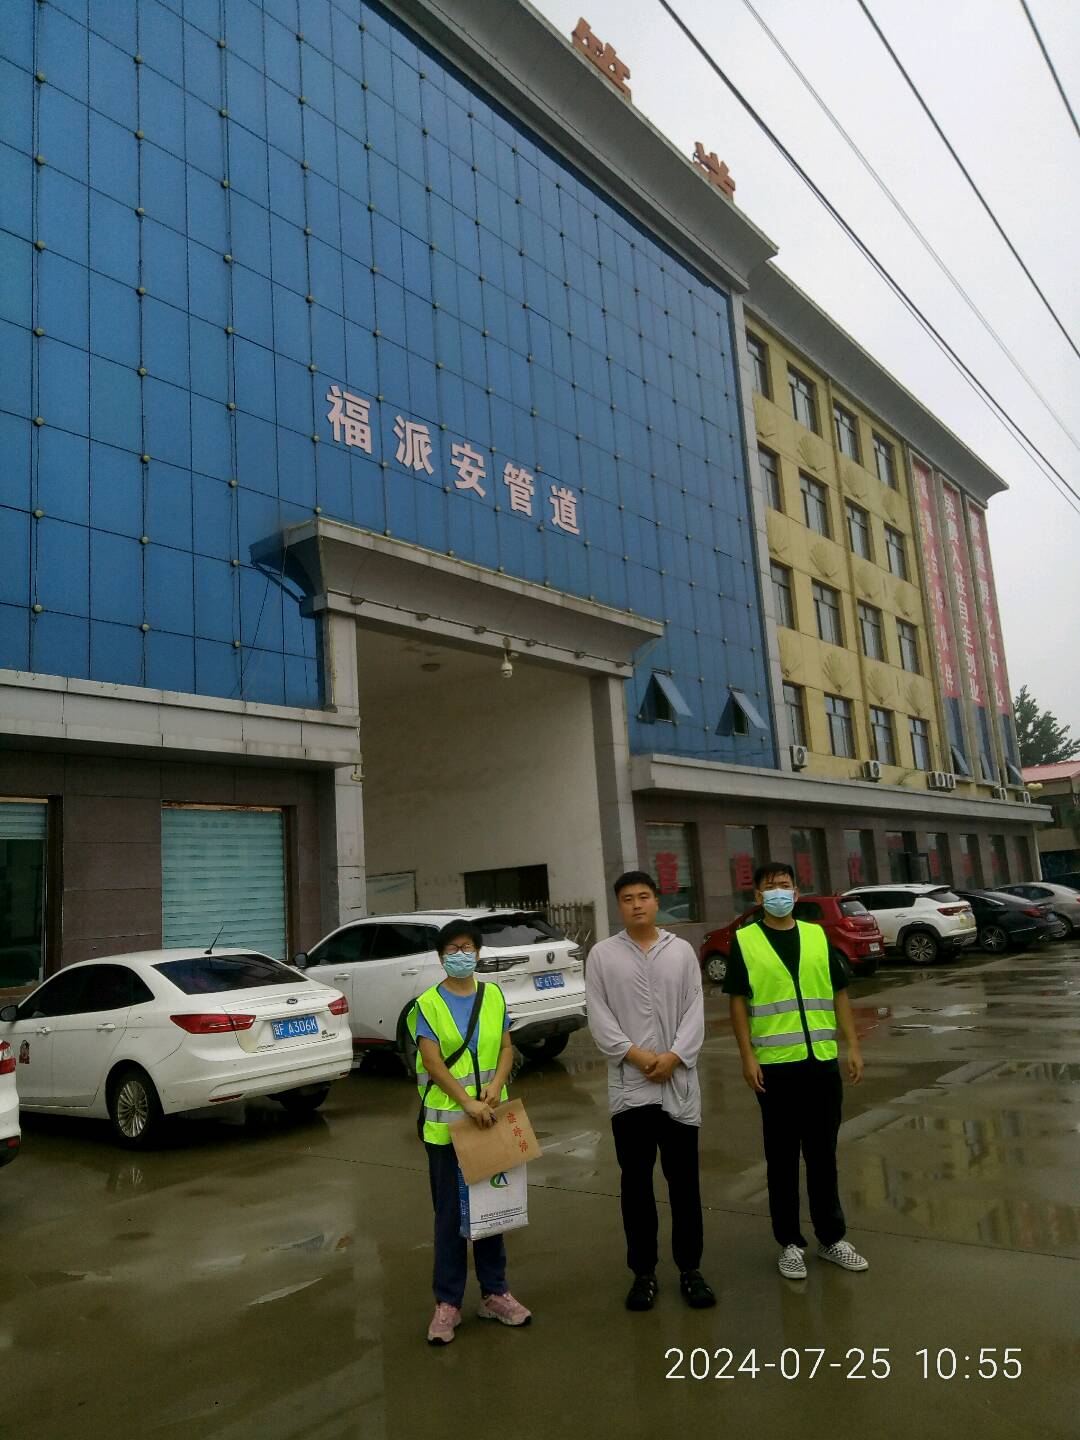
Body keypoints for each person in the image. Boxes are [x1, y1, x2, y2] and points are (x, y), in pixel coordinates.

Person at [724, 862, 869, 1280]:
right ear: (758, 897)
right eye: (770, 887)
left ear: (797, 892)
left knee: (823, 1155)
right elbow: (738, 1002)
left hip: (821, 1063)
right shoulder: (745, 940)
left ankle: (831, 1238)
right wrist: (747, 1056)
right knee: (782, 1159)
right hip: (775, 1069)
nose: (778, 893)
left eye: (785, 886)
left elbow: (839, 993)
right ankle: (789, 1243)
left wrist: (853, 1046)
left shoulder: (816, 935)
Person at [585, 870, 716, 1311]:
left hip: (678, 1087)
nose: (637, 904)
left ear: (657, 901)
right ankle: (643, 1274)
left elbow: (695, 1009)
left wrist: (675, 1056)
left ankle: (691, 1270)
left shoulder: (680, 951)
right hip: (631, 1091)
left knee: (685, 1185)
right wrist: (638, 1056)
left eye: (643, 896)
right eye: (628, 898)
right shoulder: (603, 955)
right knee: (636, 1186)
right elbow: (599, 1017)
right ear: (618, 906)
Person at [409, 919, 532, 1345]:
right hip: (448, 1130)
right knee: (449, 1218)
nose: (460, 955)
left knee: (492, 1210)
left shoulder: (493, 995)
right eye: (452, 949)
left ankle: (495, 1293)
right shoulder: (427, 1004)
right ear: (441, 956)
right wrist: (467, 1102)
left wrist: (496, 1087)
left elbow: (506, 1047)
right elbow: (432, 1063)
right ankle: (447, 1303)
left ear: (478, 953)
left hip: (490, 1122)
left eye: (467, 948)